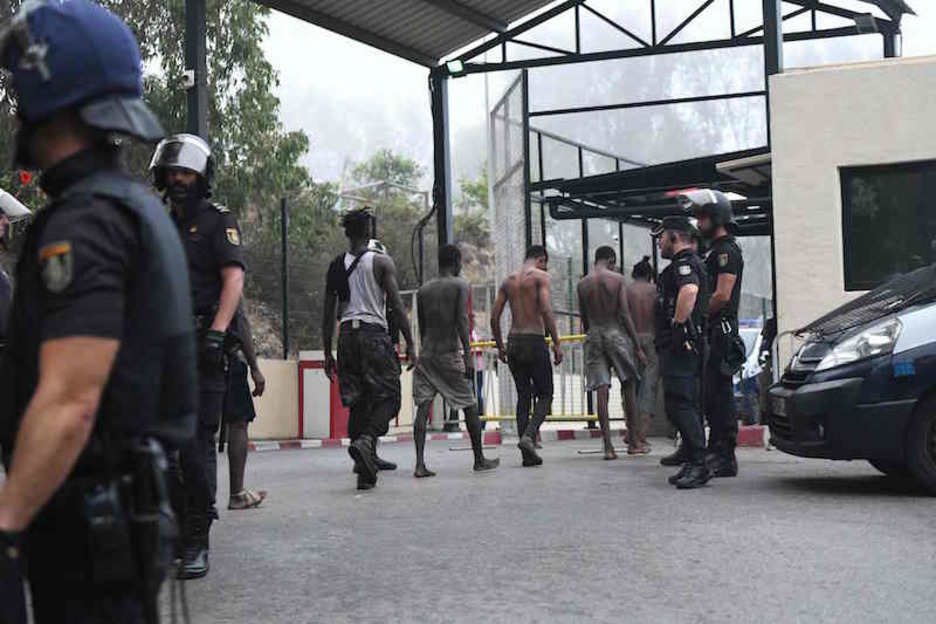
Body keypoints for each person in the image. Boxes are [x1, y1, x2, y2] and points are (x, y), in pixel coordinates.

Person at [0, 2, 196, 621]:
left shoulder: (85, 222)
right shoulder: (132, 206)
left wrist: (5, 524)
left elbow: (71, 399)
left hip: (89, 521)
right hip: (121, 512)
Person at [151, 133, 245, 579]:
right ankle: (170, 532)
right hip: (162, 347)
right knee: (159, 448)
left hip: (203, 344)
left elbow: (233, 281)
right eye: (173, 172)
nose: (178, 179)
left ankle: (196, 539)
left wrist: (218, 333)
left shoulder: (216, 222)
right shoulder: (158, 223)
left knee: (194, 446)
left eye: (186, 171)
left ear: (202, 176)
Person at [322, 208, 415, 491]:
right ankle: (366, 441)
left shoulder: (336, 265)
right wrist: (411, 341)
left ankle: (365, 472)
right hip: (373, 333)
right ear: (369, 232)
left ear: (348, 233)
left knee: (358, 401)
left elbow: (327, 314)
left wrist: (327, 352)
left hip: (346, 336)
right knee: (390, 396)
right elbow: (396, 306)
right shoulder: (381, 262)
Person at [412, 245, 499, 477]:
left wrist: (423, 353)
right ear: (456, 262)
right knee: (469, 404)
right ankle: (479, 459)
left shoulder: (424, 290)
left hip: (427, 355)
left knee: (422, 408)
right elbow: (461, 319)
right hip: (448, 355)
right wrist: (468, 355)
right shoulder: (460, 285)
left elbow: (422, 326)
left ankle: (419, 464)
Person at [687, 189, 745, 478]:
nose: (698, 222)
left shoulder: (726, 252)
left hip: (721, 334)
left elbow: (722, 296)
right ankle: (716, 449)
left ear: (717, 217)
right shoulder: (714, 250)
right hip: (713, 332)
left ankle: (725, 454)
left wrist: (696, 317)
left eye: (703, 216)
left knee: (720, 395)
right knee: (710, 395)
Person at [491, 245, 562, 467]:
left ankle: (526, 455)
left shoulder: (508, 281)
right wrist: (557, 342)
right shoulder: (541, 277)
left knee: (523, 395)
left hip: (513, 342)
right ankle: (529, 437)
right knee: (546, 394)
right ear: (540, 260)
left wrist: (501, 346)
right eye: (545, 262)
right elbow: (545, 309)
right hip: (534, 340)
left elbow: (494, 318)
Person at [654, 217, 711, 489]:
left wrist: (678, 327)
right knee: (681, 403)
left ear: (675, 237)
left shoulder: (684, 264)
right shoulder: (684, 264)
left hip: (682, 345)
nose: (659, 242)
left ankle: (699, 463)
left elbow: (689, 291)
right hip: (684, 345)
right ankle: (691, 457)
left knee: (682, 403)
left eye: (661, 237)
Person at [577, 246, 645, 459]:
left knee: (601, 389)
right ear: (611, 260)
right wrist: (637, 345)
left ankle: (608, 447)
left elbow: (584, 318)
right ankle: (633, 442)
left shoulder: (582, 283)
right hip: (614, 333)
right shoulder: (617, 280)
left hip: (594, 335)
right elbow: (624, 313)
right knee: (629, 384)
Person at [224, 304, 268, 510]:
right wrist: (255, 368)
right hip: (226, 358)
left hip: (188, 354)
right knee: (238, 422)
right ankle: (237, 494)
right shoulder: (228, 274)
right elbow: (240, 319)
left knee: (197, 429)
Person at [628, 256, 658, 454]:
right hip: (651, 339)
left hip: (630, 339)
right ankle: (641, 437)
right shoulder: (655, 291)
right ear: (650, 275)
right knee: (648, 387)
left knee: (630, 386)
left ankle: (630, 433)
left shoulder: (626, 290)